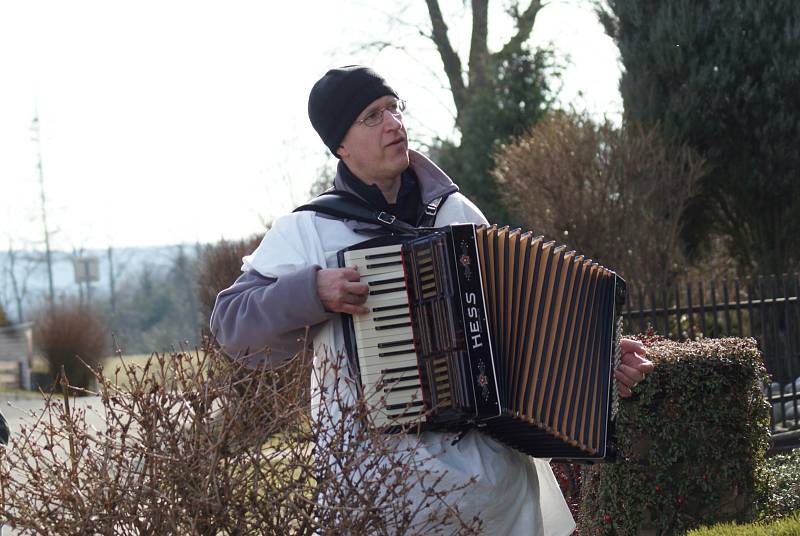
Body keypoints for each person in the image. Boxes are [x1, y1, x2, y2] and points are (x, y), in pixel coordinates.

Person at [210, 65, 654, 535]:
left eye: (394, 108)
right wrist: (312, 291)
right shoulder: (309, 232)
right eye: (371, 116)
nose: (393, 123)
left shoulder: (455, 214)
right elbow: (232, 325)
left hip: (496, 488)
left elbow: (515, 328)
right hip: (378, 488)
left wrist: (594, 362)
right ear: (339, 144)